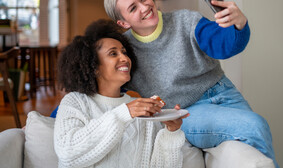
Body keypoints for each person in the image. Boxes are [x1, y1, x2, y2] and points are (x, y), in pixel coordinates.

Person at [104, 0, 279, 167]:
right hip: (187, 112)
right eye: (133, 8)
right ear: (123, 23)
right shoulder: (126, 51)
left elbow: (224, 45)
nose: (145, 7)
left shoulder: (186, 20)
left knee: (254, 154)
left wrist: (238, 25)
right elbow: (108, 82)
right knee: (255, 126)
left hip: (226, 94)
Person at [54, 19, 195, 168]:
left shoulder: (141, 107)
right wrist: (124, 113)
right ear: (94, 66)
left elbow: (159, 165)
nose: (124, 58)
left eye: (124, 52)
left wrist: (171, 132)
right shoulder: (75, 102)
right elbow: (67, 154)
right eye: (113, 53)